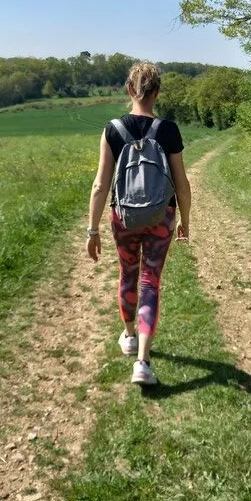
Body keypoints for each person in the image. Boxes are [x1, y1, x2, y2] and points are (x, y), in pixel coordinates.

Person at [86, 61, 191, 385]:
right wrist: (185, 221)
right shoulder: (168, 130)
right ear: (156, 92)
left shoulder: (113, 129)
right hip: (161, 217)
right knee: (151, 281)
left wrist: (92, 230)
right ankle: (143, 363)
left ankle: (129, 337)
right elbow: (182, 182)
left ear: (129, 90)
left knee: (128, 273)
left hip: (124, 217)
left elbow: (101, 184)